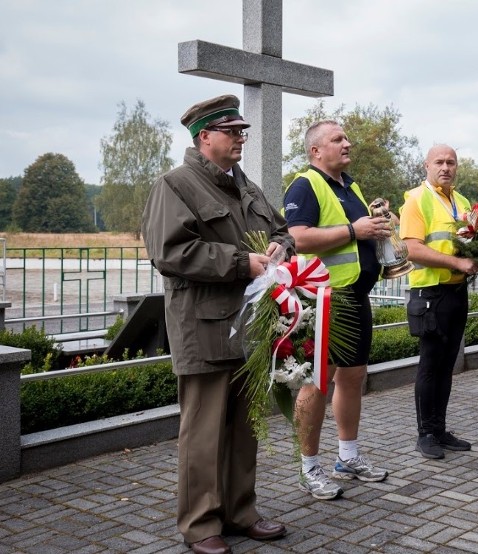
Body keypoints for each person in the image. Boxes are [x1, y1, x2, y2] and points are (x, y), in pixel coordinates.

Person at [142, 94, 290, 554]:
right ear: (205, 137)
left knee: (245, 428)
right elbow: (170, 253)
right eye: (232, 131)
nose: (241, 137)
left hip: (250, 327)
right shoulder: (176, 184)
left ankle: (240, 511)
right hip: (203, 328)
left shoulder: (246, 185)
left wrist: (281, 249)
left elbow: (280, 229)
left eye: (242, 130)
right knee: (204, 433)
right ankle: (201, 524)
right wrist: (240, 263)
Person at [282, 120, 390, 500]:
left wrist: (380, 241)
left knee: (353, 377)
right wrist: (352, 231)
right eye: (338, 139)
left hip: (355, 297)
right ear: (316, 151)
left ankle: (347, 457)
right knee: (317, 383)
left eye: (346, 138)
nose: (348, 144)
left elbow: (361, 231)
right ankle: (309, 467)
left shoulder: (351, 185)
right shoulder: (305, 185)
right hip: (325, 301)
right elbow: (296, 237)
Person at [398, 144, 478, 459]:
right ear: (426, 166)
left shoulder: (460, 201)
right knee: (430, 367)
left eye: (451, 162)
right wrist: (458, 264)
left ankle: (440, 428)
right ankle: (425, 434)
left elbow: (471, 243)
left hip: (456, 293)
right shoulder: (416, 200)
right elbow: (413, 250)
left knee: (447, 367)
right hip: (430, 293)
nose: (445, 167)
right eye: (439, 162)